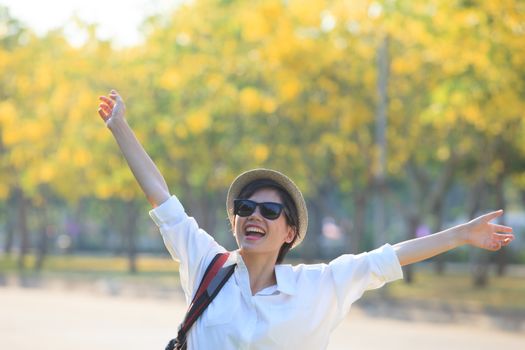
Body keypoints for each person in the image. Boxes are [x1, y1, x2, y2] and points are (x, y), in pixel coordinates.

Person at [97, 90, 515, 349]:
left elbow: (389, 256)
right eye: (245, 207)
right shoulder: (208, 264)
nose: (253, 216)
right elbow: (162, 197)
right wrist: (120, 128)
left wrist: (462, 234)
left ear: (290, 231)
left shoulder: (319, 286)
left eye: (269, 210)